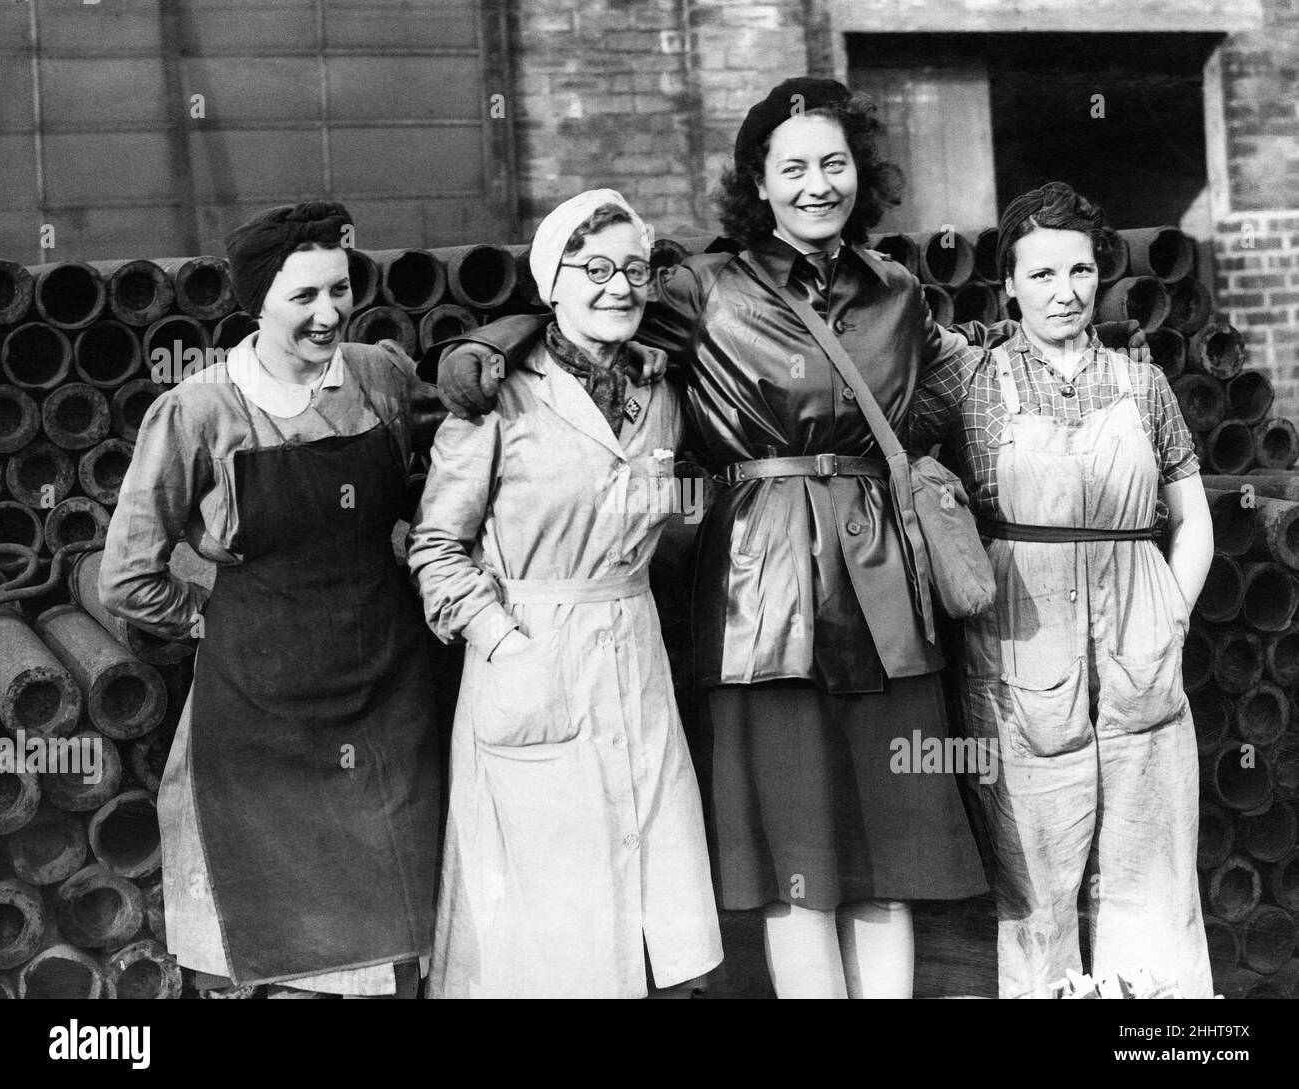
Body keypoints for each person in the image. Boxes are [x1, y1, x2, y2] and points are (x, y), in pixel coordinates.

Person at [434, 78, 1059, 999]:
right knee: (795, 861)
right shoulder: (703, 286)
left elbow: (949, 384)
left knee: (889, 857)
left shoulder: (896, 290)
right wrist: (490, 342)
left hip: (885, 588)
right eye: (793, 166)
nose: (817, 184)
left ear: (862, 174)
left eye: (834, 163)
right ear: (757, 184)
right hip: (760, 600)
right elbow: (592, 311)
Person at [99, 201, 441, 997]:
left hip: (388, 692)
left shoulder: (382, 377)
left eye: (340, 288)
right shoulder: (198, 411)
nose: (328, 313)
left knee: (391, 934)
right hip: (259, 712)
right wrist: (211, 616)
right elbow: (126, 575)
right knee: (277, 937)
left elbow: (432, 492)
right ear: (258, 303)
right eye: (303, 297)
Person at [406, 189, 722, 999]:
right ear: (551, 282)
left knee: (648, 907)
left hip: (634, 649)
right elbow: (436, 546)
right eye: (593, 269)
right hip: (530, 651)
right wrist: (505, 641)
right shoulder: (496, 394)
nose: (618, 286)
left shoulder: (661, 393)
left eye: (633, 268)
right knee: (547, 938)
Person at [908, 182, 1215, 998]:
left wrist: (1170, 616)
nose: (1065, 291)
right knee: (1035, 891)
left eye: (1079, 271)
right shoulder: (971, 382)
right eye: (1041, 274)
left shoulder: (1141, 382)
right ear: (1007, 283)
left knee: (1152, 877)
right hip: (1021, 665)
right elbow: (888, 431)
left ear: (1100, 275)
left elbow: (1192, 519)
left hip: (1141, 661)